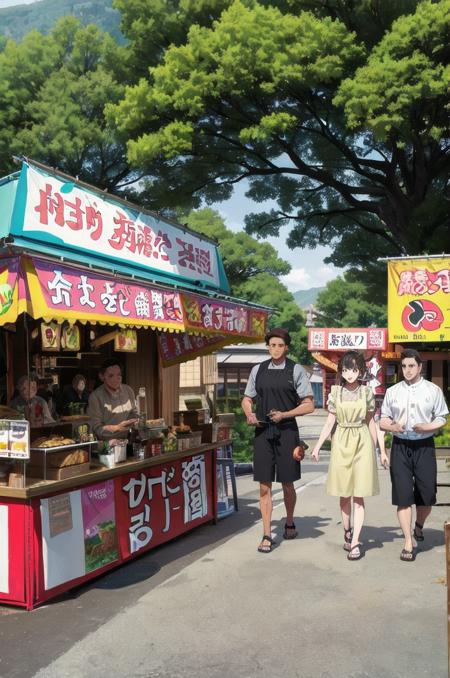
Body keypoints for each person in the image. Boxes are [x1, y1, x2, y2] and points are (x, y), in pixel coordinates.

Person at [241, 328, 314, 554]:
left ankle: (289, 521)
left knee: (287, 482)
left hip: (287, 432)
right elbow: (246, 399)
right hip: (263, 432)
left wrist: (285, 414)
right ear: (267, 347)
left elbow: (309, 404)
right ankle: (266, 534)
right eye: (272, 345)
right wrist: (249, 414)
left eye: (280, 345)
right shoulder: (258, 370)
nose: (275, 349)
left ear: (286, 347)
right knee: (264, 485)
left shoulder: (296, 370)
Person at [380, 349, 448, 562]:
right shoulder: (393, 391)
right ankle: (408, 540)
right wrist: (392, 426)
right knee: (403, 496)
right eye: (404, 366)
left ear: (420, 367)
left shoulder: (432, 390)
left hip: (424, 446)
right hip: (400, 446)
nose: (407, 370)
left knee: (426, 495)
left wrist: (427, 426)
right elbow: (382, 420)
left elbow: (442, 417)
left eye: (412, 366)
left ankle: (419, 525)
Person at [311, 351, 379, 561]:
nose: (350, 374)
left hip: (362, 441)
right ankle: (347, 530)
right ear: (341, 371)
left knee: (358, 495)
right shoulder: (336, 393)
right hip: (341, 441)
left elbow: (370, 422)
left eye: (354, 369)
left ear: (361, 371)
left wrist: (377, 448)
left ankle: (356, 541)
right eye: (346, 369)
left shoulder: (367, 393)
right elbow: (330, 422)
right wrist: (317, 446)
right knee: (344, 495)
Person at [88, 359, 138, 442]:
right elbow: (96, 428)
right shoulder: (95, 397)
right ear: (101, 377)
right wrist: (117, 428)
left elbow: (133, 413)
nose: (116, 378)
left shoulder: (128, 390)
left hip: (129, 440)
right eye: (111, 376)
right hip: (108, 444)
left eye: (119, 375)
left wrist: (135, 421)